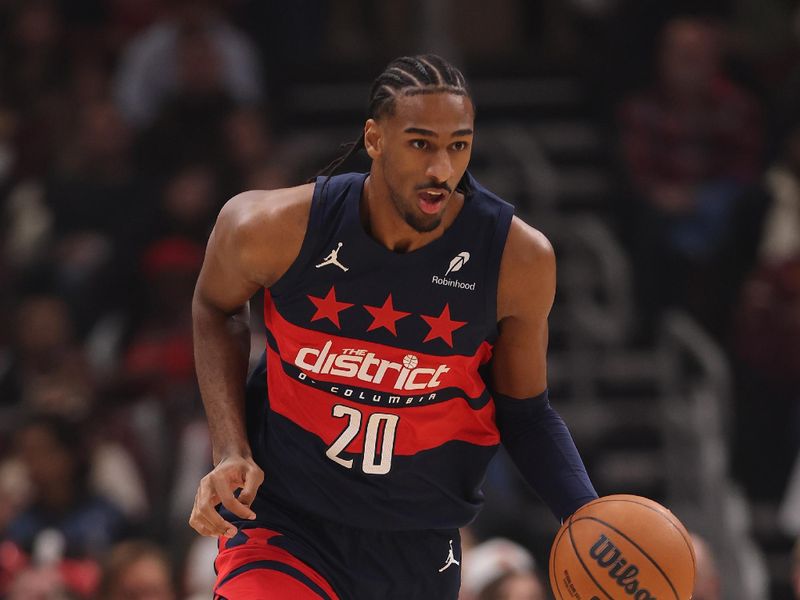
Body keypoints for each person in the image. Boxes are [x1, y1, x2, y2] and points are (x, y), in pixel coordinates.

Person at [189, 54, 597, 599]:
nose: (441, 170)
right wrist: (230, 449)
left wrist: (590, 520)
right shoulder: (270, 228)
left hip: (417, 543)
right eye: (421, 143)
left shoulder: (516, 260)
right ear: (375, 139)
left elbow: (524, 413)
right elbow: (214, 307)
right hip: (285, 521)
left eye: (459, 145)